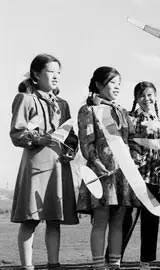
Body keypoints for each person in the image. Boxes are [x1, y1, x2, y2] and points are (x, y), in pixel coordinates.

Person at [10, 54, 79, 270]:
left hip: (59, 166)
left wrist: (71, 150)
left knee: (54, 219)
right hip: (36, 165)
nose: (56, 76)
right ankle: (27, 267)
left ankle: (53, 264)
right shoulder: (25, 98)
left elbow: (71, 135)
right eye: (51, 71)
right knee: (30, 220)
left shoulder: (63, 104)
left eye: (59, 72)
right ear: (36, 74)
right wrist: (39, 138)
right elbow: (16, 134)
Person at [77, 66, 139, 270]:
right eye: (112, 82)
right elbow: (86, 143)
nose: (117, 87)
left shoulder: (122, 111)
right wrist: (96, 164)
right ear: (98, 84)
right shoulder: (89, 110)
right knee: (101, 219)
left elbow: (130, 141)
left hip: (122, 174)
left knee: (119, 220)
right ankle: (98, 265)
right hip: (100, 171)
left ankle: (115, 264)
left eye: (119, 83)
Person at [120, 81, 160, 270]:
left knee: (151, 220)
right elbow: (124, 144)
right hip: (135, 176)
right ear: (136, 99)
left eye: (150, 95)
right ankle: (114, 258)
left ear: (155, 97)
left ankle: (146, 261)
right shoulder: (130, 119)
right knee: (127, 219)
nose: (146, 99)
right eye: (142, 95)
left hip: (156, 176)